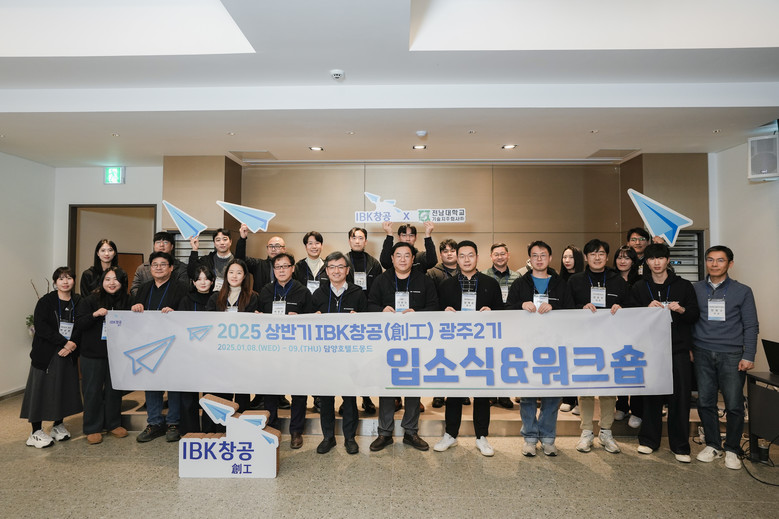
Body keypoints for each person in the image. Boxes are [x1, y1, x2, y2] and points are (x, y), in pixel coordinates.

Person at [433, 240, 503, 457]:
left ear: (477, 257)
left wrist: (491, 312)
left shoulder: (490, 283)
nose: (466, 259)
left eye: (470, 255)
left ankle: (482, 436)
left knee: (482, 393)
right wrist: (443, 312)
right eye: (462, 255)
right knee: (454, 392)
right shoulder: (446, 285)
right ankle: (450, 434)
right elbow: (435, 314)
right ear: (457, 258)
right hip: (455, 346)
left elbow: (502, 313)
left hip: (482, 347)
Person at [692, 245, 759, 470]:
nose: (714, 264)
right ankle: (713, 445)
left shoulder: (743, 291)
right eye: (710, 259)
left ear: (730, 264)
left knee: (734, 404)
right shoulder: (695, 289)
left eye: (720, 260)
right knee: (705, 402)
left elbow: (751, 325)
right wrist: (690, 347)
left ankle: (732, 448)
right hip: (702, 351)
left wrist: (748, 354)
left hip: (732, 354)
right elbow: (689, 320)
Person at [631, 243, 699, 463]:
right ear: (647, 262)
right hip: (651, 350)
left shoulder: (684, 285)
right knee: (652, 396)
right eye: (652, 259)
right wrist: (644, 311)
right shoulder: (639, 287)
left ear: (667, 260)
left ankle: (680, 446)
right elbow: (629, 317)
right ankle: (649, 441)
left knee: (680, 398)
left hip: (678, 349)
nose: (656, 262)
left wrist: (681, 309)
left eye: (660, 258)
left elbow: (695, 315)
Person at [368, 241, 439, 452]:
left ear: (413, 258)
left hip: (415, 342)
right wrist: (381, 310)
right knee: (387, 385)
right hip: (387, 343)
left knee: (412, 385)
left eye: (407, 255)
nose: (402, 259)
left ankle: (410, 431)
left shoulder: (424, 280)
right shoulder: (381, 280)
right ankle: (384, 432)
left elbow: (434, 306)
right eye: (398, 255)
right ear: (391, 259)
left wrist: (418, 314)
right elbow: (369, 304)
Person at [506, 241, 573, 456]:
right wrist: (520, 305)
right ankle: (529, 437)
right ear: (529, 259)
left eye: (543, 255)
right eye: (535, 255)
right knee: (527, 395)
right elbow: (506, 310)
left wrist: (555, 307)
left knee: (552, 395)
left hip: (554, 346)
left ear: (550, 258)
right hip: (527, 346)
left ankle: (548, 437)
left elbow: (572, 312)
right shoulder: (520, 283)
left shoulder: (561, 284)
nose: (539, 259)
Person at [567, 239, 629, 454]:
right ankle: (586, 432)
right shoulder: (575, 280)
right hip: (583, 342)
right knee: (585, 388)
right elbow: (566, 308)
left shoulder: (618, 281)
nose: (597, 257)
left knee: (608, 388)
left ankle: (606, 431)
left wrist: (621, 308)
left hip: (611, 342)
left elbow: (631, 308)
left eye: (601, 253)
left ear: (607, 256)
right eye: (592, 254)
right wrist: (580, 308)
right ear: (586, 257)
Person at [21, 267, 83, 448]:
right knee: (40, 391)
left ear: (74, 280)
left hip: (68, 353)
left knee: (62, 389)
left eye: (69, 278)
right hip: (46, 354)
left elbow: (81, 325)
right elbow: (41, 327)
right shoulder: (46, 301)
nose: (65, 281)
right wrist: (64, 342)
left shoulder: (78, 301)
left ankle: (58, 425)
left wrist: (72, 344)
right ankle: (35, 432)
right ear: (55, 282)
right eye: (61, 278)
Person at [312, 252, 367, 455]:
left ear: (347, 270)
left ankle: (350, 438)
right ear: (326, 271)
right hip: (324, 356)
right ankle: (328, 437)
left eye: (340, 267)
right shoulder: (318, 294)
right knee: (326, 399)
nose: (336, 271)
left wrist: (359, 319)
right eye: (332, 267)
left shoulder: (358, 293)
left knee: (349, 398)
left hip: (349, 356)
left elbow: (368, 324)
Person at [131, 251, 189, 443]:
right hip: (149, 343)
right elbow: (134, 314)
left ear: (171, 268)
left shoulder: (181, 288)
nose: (158, 268)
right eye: (155, 264)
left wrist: (175, 313)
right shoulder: (144, 288)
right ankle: (154, 423)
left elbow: (187, 315)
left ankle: (173, 423)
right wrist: (136, 308)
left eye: (163, 264)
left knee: (173, 384)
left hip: (173, 343)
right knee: (152, 383)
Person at [258, 252, 313, 449]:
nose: (281, 270)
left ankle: (296, 430)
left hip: (296, 350)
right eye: (278, 267)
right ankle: (271, 426)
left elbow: (312, 321)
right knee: (271, 390)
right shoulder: (265, 291)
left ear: (292, 268)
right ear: (273, 270)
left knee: (298, 391)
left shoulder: (303, 291)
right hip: (271, 350)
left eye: (285, 266)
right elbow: (257, 318)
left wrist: (300, 319)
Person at [75, 266, 130, 444]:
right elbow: (79, 323)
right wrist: (94, 315)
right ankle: (92, 428)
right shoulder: (90, 300)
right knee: (92, 391)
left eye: (116, 279)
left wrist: (138, 308)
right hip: (92, 354)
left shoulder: (128, 300)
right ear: (102, 282)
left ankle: (113, 424)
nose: (111, 283)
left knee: (114, 390)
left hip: (117, 354)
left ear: (122, 282)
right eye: (107, 279)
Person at [206, 259, 260, 416]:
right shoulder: (215, 297)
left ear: (244, 276)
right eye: (231, 272)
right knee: (222, 391)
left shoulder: (252, 297)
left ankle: (241, 423)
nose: (234, 276)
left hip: (243, 351)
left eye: (239, 273)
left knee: (242, 391)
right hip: (220, 352)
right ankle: (222, 425)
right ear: (226, 275)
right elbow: (208, 322)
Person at [344, 226, 381, 414]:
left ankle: (366, 398)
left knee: (366, 360)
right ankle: (347, 400)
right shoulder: (342, 261)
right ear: (349, 240)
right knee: (348, 361)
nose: (357, 241)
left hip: (368, 316)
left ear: (365, 241)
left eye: (361, 238)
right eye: (354, 237)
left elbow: (379, 290)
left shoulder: (374, 263)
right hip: (347, 316)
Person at [178, 265, 215, 433]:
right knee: (188, 395)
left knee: (211, 395)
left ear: (212, 281)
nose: (203, 282)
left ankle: (210, 431)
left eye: (206, 278)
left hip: (212, 354)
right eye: (199, 279)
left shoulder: (217, 298)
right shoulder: (186, 300)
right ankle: (189, 431)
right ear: (193, 282)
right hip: (190, 353)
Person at [483, 242, 521, 409]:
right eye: (496, 254)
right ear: (491, 257)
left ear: (508, 255)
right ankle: (491, 394)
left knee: (506, 358)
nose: (500, 257)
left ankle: (505, 394)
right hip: (489, 324)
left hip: (510, 323)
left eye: (502, 254)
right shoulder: (483, 276)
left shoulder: (517, 277)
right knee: (490, 358)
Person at [426, 238, 459, 409]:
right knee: (440, 359)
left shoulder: (465, 270)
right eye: (445, 251)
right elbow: (431, 298)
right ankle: (438, 394)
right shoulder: (432, 273)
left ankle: (459, 393)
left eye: (452, 250)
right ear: (441, 254)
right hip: (440, 323)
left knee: (459, 357)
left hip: (461, 325)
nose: (449, 254)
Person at [613, 245, 643, 426]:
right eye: (619, 257)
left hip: (637, 332)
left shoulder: (641, 280)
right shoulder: (610, 279)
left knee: (636, 369)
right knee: (620, 368)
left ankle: (637, 410)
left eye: (627, 258)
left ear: (633, 261)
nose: (622, 261)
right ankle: (622, 406)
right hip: (616, 332)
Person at [558, 244, 584, 412]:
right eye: (564, 257)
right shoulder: (558, 279)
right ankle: (568, 398)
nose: (567, 260)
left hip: (580, 327)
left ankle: (581, 400)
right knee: (565, 361)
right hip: (563, 327)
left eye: (571, 257)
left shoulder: (583, 279)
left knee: (579, 362)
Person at [130, 231, 189, 295]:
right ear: (154, 246)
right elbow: (134, 289)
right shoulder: (142, 268)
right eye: (158, 242)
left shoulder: (182, 267)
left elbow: (183, 290)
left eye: (165, 242)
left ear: (172, 246)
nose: (161, 245)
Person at [235, 224, 286, 295]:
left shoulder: (289, 267)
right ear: (267, 249)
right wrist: (242, 239)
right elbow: (240, 260)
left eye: (277, 246)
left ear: (284, 249)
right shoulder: (259, 264)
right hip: (261, 300)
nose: (273, 249)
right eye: (270, 246)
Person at [188, 228, 234, 293]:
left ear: (230, 242)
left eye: (225, 239)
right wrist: (194, 250)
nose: (222, 243)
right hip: (211, 296)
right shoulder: (207, 260)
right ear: (214, 243)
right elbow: (191, 272)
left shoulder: (237, 260)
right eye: (218, 240)